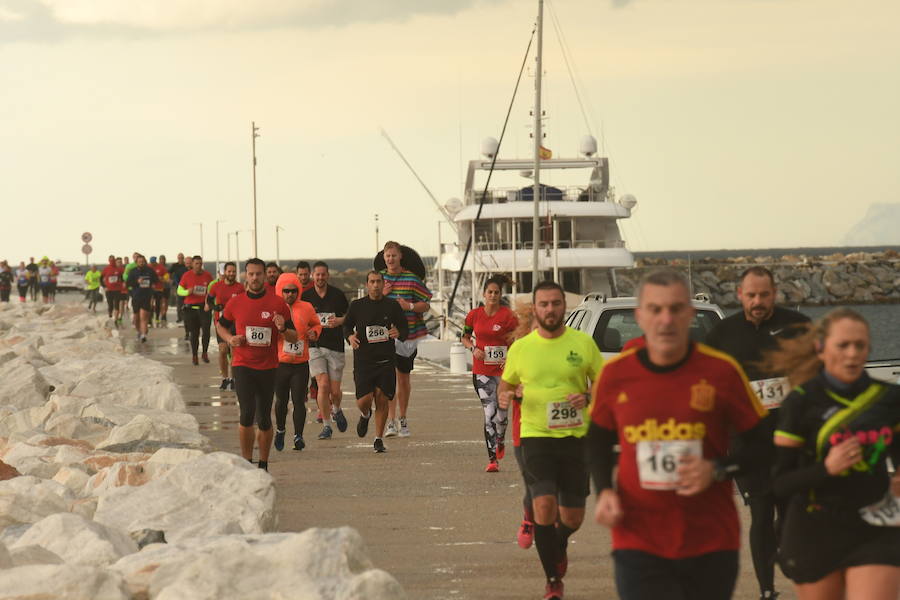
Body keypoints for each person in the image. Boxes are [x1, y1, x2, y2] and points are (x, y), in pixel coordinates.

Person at [588, 269, 769, 600]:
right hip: (637, 540)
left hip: (709, 541)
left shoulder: (722, 372)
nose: (666, 319)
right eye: (655, 310)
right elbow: (597, 438)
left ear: (689, 314)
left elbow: (762, 444)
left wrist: (716, 469)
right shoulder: (615, 375)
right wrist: (604, 491)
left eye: (675, 309)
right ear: (640, 316)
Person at [769, 308, 900, 600]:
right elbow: (779, 483)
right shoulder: (801, 402)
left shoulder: (889, 398)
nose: (852, 354)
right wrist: (827, 468)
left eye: (860, 345)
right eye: (843, 345)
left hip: (874, 526)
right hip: (815, 528)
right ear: (821, 348)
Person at [704, 266, 810, 600]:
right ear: (739, 295)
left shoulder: (797, 326)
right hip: (747, 442)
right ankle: (767, 590)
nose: (758, 301)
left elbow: (820, 376)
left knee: (790, 511)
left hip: (791, 438)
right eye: (751, 295)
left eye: (764, 294)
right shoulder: (723, 334)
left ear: (774, 293)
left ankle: (788, 552)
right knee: (762, 510)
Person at [498, 281, 603, 600]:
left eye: (556, 303)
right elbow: (505, 386)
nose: (550, 309)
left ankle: (557, 545)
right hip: (536, 435)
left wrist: (586, 397)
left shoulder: (583, 343)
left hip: (575, 437)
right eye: (543, 304)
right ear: (536, 308)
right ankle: (553, 580)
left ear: (563, 306)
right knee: (543, 504)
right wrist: (508, 396)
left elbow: (603, 384)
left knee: (572, 516)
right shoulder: (521, 348)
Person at [216, 258, 298, 471]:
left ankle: (263, 463)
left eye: (258, 274)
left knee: (264, 417)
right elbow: (221, 325)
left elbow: (293, 337)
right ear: (246, 275)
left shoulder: (277, 304)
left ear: (264, 275)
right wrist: (230, 339)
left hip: (269, 367)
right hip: (243, 364)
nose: (254, 278)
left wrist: (282, 329)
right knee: (246, 413)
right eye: (251, 274)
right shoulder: (236, 302)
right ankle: (246, 462)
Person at [343, 270, 408, 453]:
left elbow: (404, 326)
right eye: (372, 281)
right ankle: (365, 415)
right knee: (364, 400)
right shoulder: (357, 306)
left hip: (386, 360)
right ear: (367, 284)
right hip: (364, 360)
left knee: (382, 398)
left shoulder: (392, 305)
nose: (376, 285)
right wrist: (349, 337)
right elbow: (347, 325)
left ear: (383, 283)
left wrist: (399, 332)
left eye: (379, 281)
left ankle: (378, 438)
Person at [462, 276, 518, 472]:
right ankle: (492, 459)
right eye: (490, 292)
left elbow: (517, 339)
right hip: (482, 371)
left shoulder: (508, 316)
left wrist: (510, 355)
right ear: (484, 294)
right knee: (489, 413)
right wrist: (473, 348)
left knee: (502, 416)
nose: (493, 295)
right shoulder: (474, 315)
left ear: (500, 295)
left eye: (496, 292)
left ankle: (501, 439)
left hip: (504, 372)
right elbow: (465, 336)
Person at [380, 241, 432, 438]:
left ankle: (403, 418)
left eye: (394, 255)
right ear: (384, 258)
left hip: (408, 335)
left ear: (400, 256)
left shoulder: (411, 279)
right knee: (390, 378)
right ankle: (391, 421)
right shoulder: (380, 279)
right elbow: (369, 303)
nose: (391, 259)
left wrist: (408, 306)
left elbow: (425, 304)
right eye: (388, 256)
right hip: (385, 336)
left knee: (403, 378)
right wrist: (382, 295)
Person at [273, 273, 322, 452]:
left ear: (298, 291)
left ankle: (298, 436)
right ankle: (280, 430)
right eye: (286, 291)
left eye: (293, 291)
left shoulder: (306, 307)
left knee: (299, 401)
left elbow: (316, 324)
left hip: (301, 363)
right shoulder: (275, 307)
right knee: (281, 401)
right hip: (280, 363)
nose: (290, 294)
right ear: (280, 291)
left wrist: (314, 333)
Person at [302, 261, 350, 440]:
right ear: (312, 276)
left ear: (328, 275)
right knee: (323, 385)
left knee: (335, 391)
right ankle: (327, 425)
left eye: (323, 274)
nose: (320, 277)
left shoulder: (337, 295)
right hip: (314, 347)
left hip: (335, 346)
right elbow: (300, 320)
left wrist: (339, 321)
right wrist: (307, 331)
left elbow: (349, 317)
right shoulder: (306, 297)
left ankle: (336, 409)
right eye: (317, 274)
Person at [207, 262, 245, 390]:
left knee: (234, 351)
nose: (232, 274)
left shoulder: (240, 288)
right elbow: (208, 300)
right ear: (225, 272)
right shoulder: (216, 286)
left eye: (234, 271)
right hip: (221, 323)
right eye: (229, 271)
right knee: (223, 350)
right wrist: (215, 307)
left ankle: (234, 380)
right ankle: (224, 378)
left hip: (235, 323)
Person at [177, 255, 214, 365]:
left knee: (206, 332)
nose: (198, 266)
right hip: (191, 309)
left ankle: (205, 353)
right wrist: (188, 292)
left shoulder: (207, 275)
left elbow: (211, 291)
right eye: (196, 264)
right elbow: (179, 291)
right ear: (192, 264)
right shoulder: (187, 275)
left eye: (200, 263)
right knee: (194, 333)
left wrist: (209, 303)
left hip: (204, 308)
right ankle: (194, 355)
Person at [125, 254, 158, 343]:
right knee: (136, 318)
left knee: (143, 316)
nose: (141, 263)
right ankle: (139, 331)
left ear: (145, 262)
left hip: (146, 296)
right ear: (137, 263)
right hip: (136, 296)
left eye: (143, 261)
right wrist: (137, 281)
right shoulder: (133, 272)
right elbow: (128, 283)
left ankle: (143, 335)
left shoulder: (150, 271)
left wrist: (153, 285)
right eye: (140, 262)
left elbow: (156, 280)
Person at [101, 256, 126, 325]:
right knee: (110, 305)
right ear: (108, 260)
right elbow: (101, 279)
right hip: (109, 290)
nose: (112, 261)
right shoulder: (106, 269)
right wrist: (104, 286)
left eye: (113, 260)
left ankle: (116, 319)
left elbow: (122, 277)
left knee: (117, 304)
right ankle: (110, 314)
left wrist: (123, 283)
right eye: (110, 260)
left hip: (117, 289)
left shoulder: (119, 269)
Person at [150, 255, 170, 327]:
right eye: (151, 262)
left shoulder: (161, 268)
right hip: (150, 289)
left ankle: (157, 318)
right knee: (150, 303)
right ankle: (150, 317)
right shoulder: (148, 267)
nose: (152, 263)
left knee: (158, 304)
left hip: (159, 288)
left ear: (156, 261)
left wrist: (162, 279)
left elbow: (167, 277)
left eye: (153, 262)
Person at [169, 253, 188, 323]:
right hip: (177, 285)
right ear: (177, 258)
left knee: (186, 302)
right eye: (179, 258)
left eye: (182, 258)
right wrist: (170, 279)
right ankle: (180, 317)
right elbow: (168, 273)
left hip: (187, 286)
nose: (180, 259)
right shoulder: (175, 265)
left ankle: (185, 317)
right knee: (179, 302)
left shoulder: (185, 266)